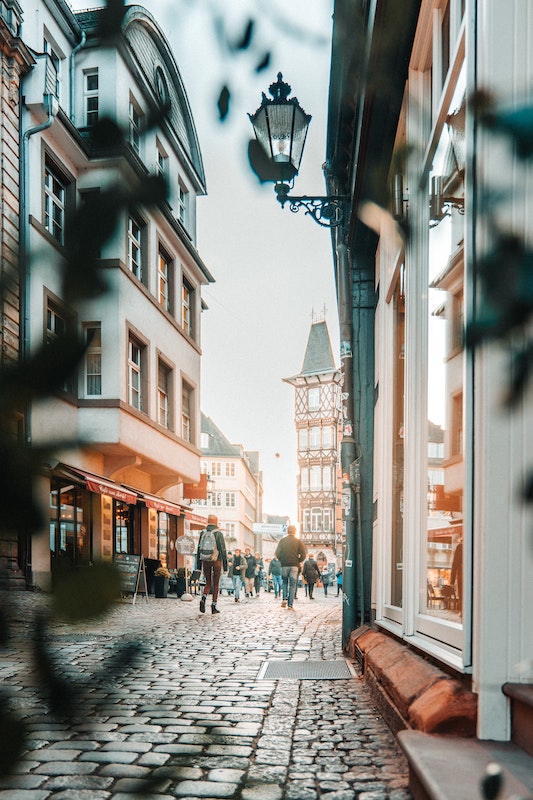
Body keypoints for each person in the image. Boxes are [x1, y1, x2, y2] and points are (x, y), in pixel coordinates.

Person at [197, 514, 227, 614]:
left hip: (205, 559)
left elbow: (199, 548)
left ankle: (203, 598)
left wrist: (198, 565)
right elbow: (223, 549)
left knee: (208, 582)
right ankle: (213, 606)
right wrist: (226, 566)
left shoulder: (203, 532)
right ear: (216, 522)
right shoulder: (218, 533)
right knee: (216, 584)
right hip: (216, 560)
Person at [274, 525, 306, 610]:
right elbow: (304, 554)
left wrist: (282, 560)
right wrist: (298, 560)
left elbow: (277, 553)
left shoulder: (283, 541)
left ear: (287, 531)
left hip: (284, 565)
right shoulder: (298, 541)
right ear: (295, 532)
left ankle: (284, 598)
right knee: (292, 584)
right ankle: (290, 604)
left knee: (284, 582)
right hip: (294, 566)